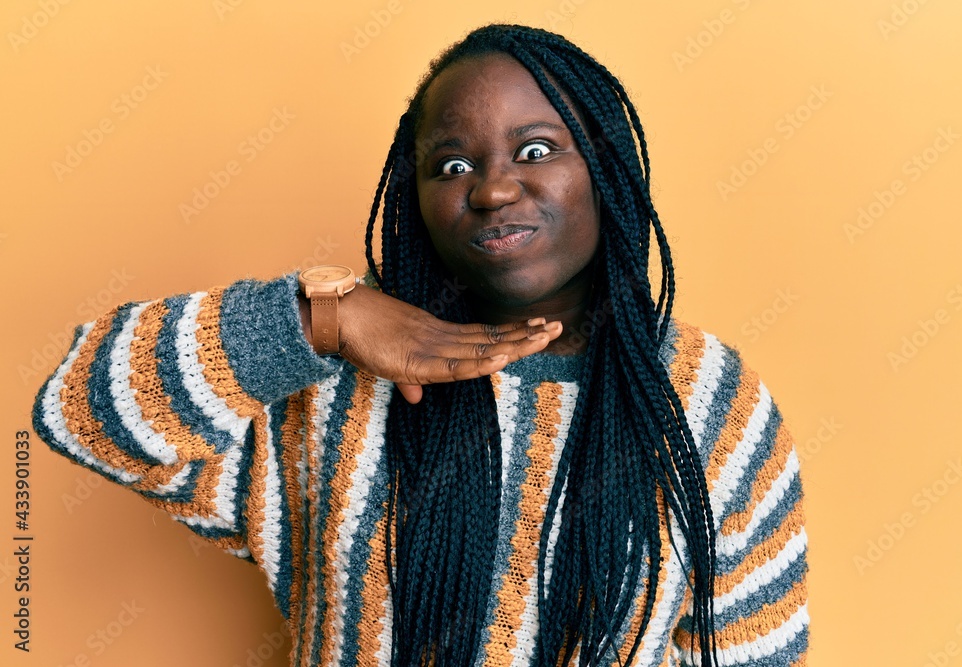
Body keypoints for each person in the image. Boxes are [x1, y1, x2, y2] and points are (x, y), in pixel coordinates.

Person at [31, 23, 809, 667]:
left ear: (605, 168)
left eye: (536, 150)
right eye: (453, 164)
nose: (493, 188)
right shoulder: (328, 384)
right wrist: (318, 320)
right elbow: (81, 409)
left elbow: (756, 652)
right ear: (417, 200)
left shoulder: (706, 400)